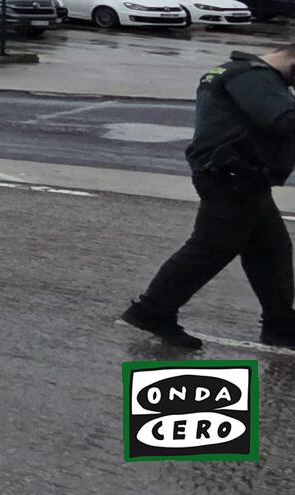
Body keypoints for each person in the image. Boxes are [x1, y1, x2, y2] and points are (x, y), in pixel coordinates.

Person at [121, 42, 295, 350]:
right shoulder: (252, 77)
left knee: (270, 249)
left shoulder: (245, 74)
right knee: (211, 248)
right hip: (231, 178)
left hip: (243, 177)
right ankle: (151, 311)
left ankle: (280, 324)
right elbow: (283, 121)